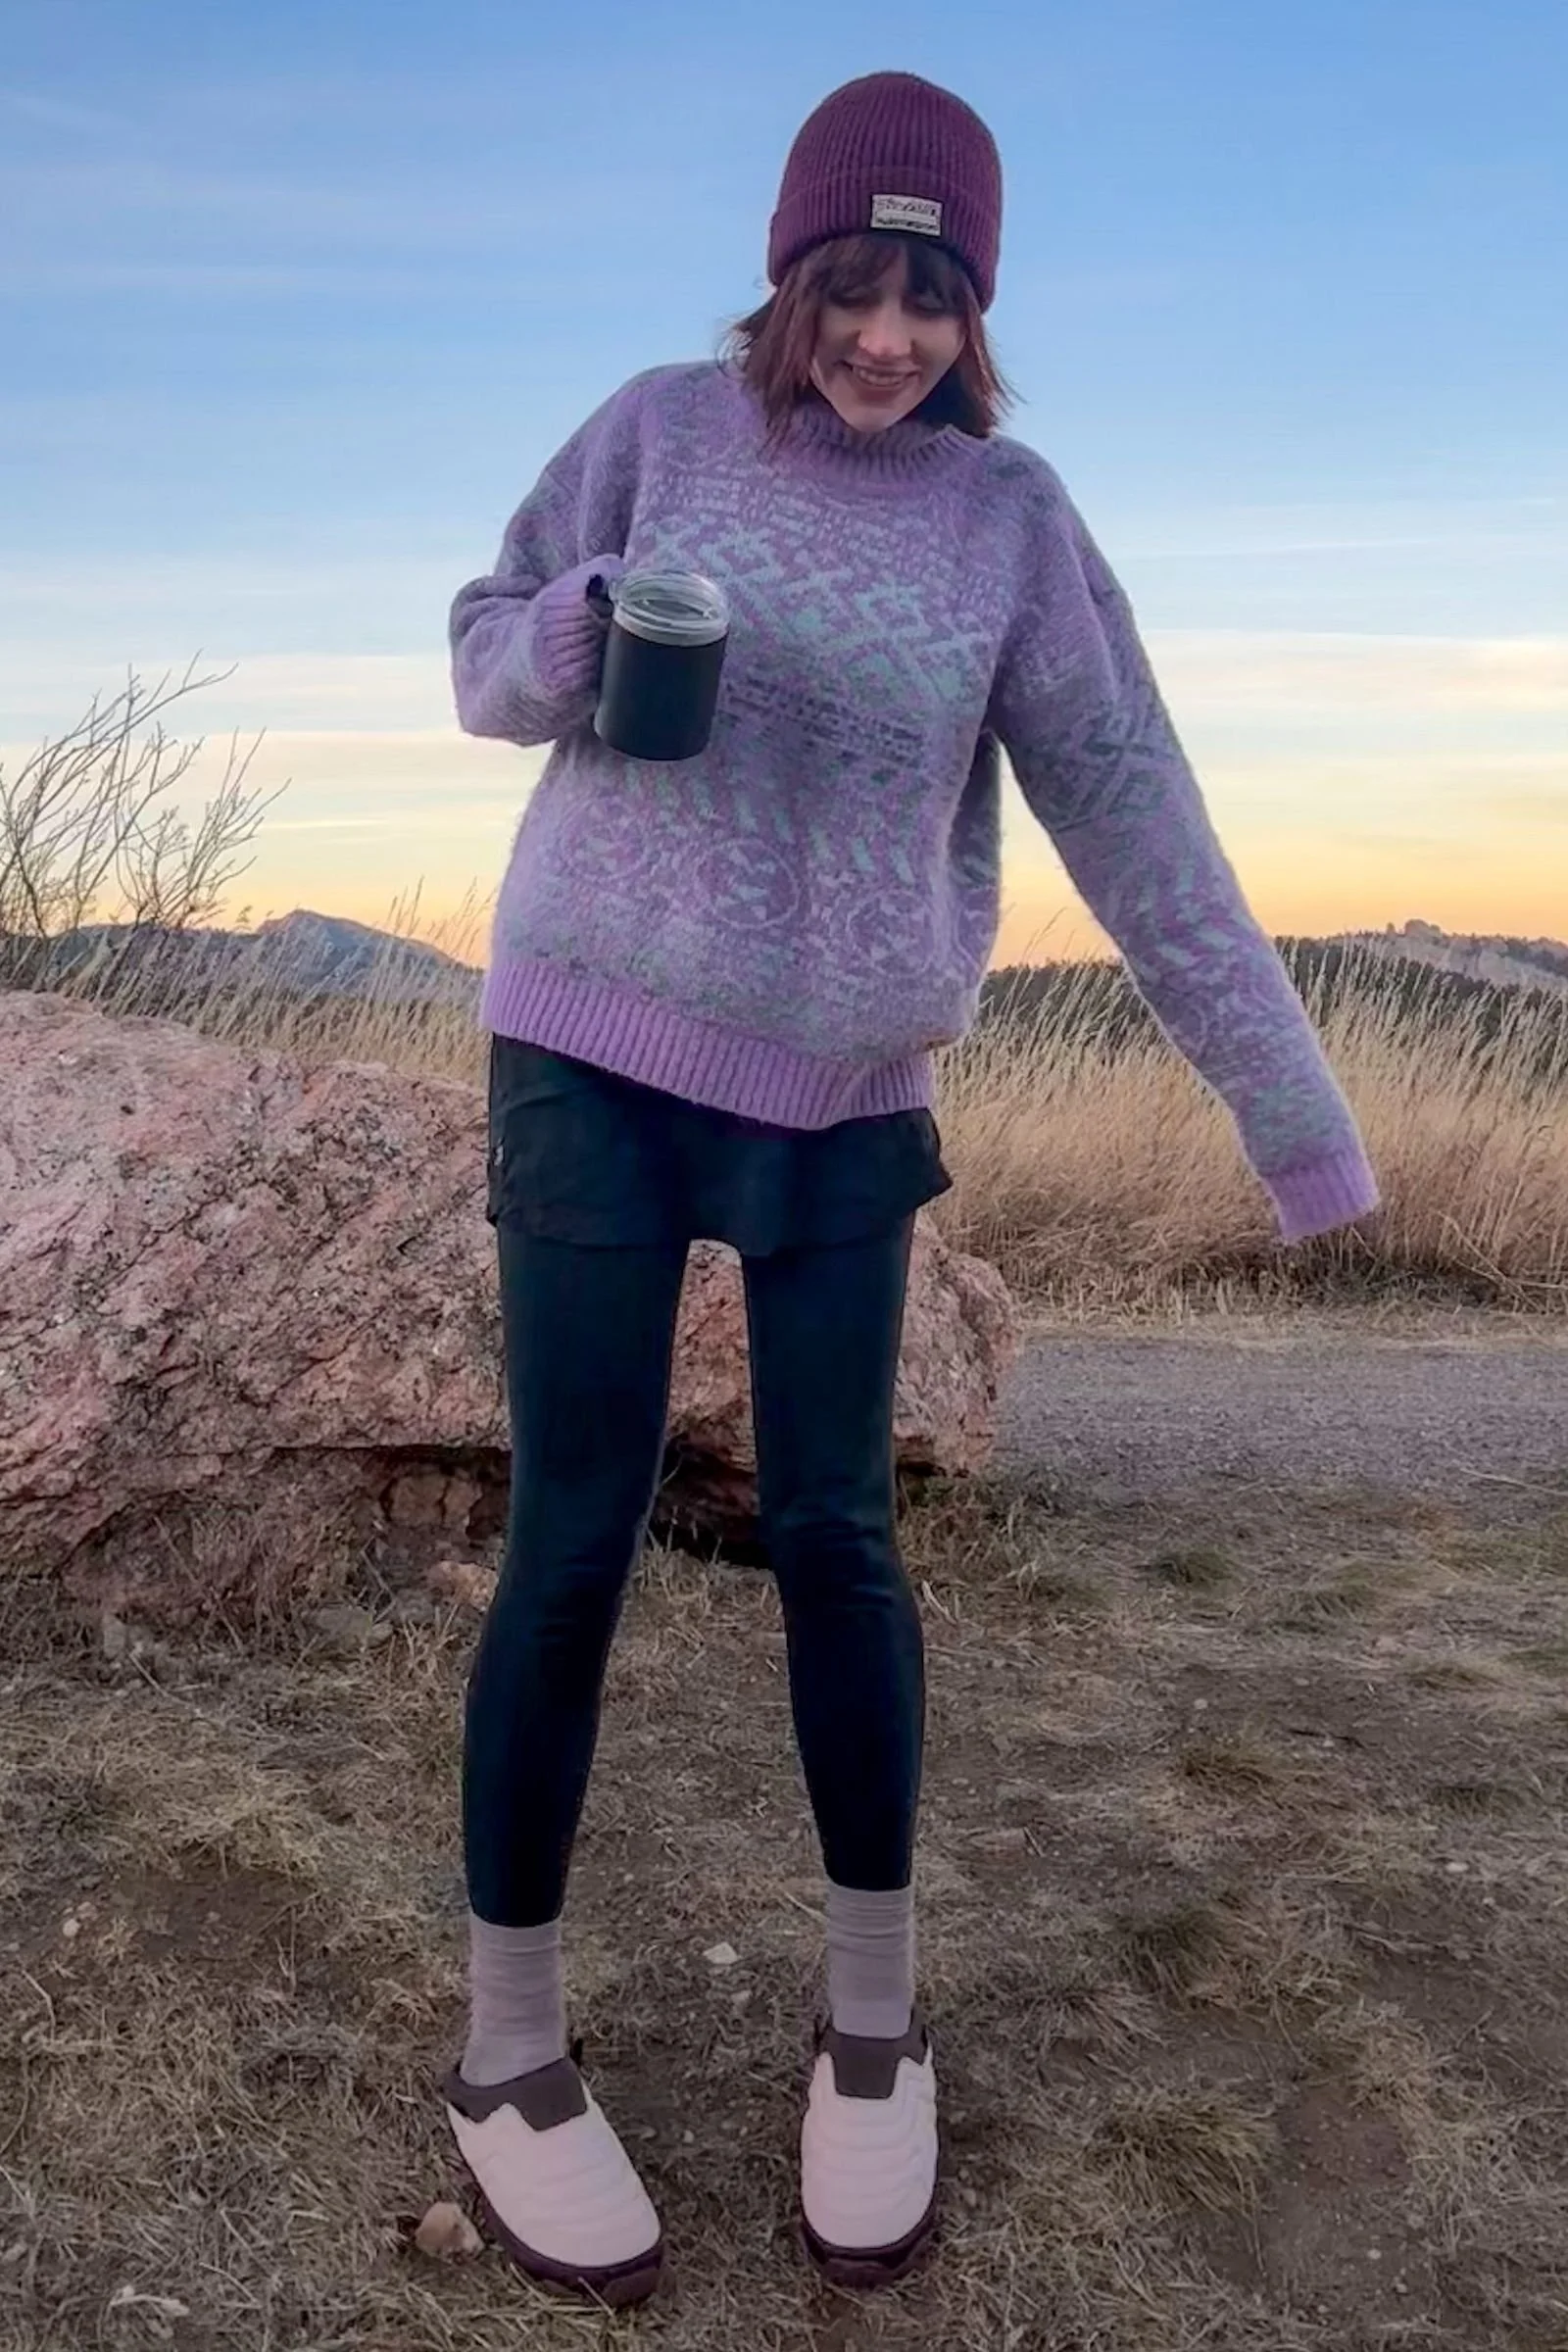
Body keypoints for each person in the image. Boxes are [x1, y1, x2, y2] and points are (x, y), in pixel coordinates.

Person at [441, 69, 1379, 2305]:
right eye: (851, 288)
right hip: (585, 1037)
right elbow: (483, 648)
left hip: (844, 1089)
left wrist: (1293, 1115)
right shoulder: (656, 426)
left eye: (931, 297)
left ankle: (872, 2027)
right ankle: (506, 2056)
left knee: (836, 1538)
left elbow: (1132, 813)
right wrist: (569, 635)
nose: (885, 335)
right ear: (785, 280)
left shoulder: (1009, 526)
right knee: (568, 1534)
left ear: (976, 311)